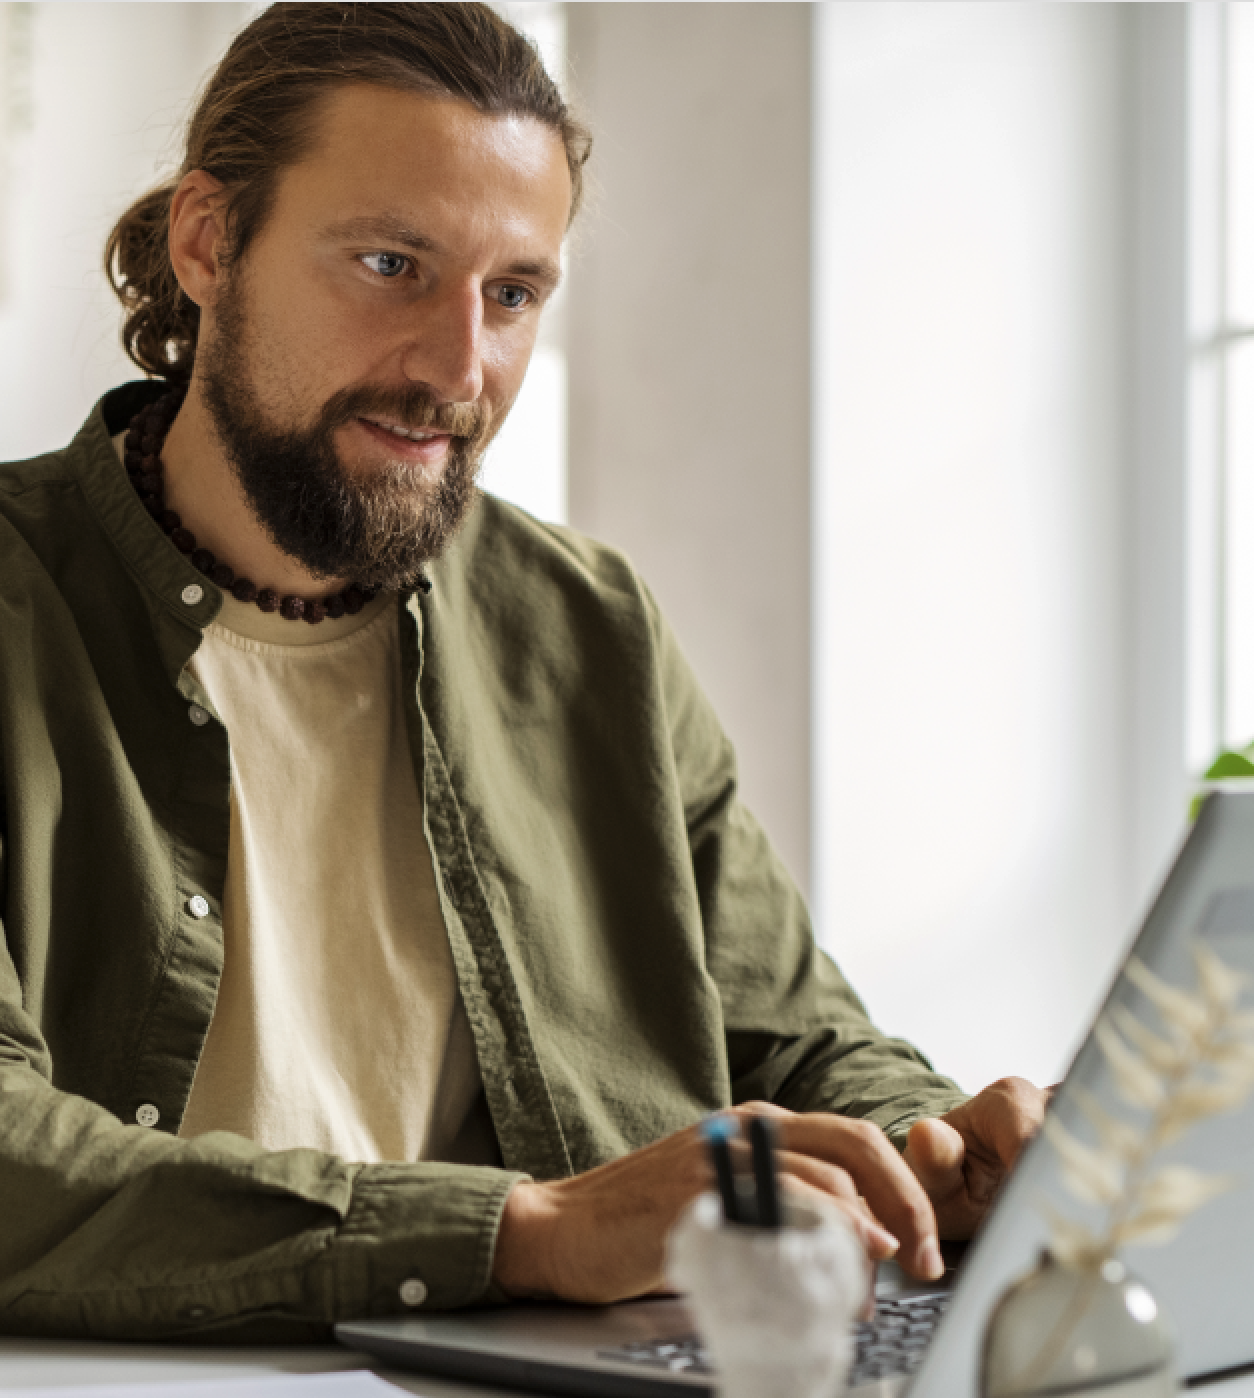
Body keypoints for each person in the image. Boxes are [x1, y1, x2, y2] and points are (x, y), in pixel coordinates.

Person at [0, 2, 1048, 1341]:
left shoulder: (591, 626)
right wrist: (525, 1233)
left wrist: (934, 1147)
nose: (459, 368)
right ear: (208, 242)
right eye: (390, 263)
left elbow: (789, 1041)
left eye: (511, 294)